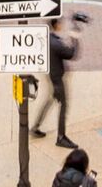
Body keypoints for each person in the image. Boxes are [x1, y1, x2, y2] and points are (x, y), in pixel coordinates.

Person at [32, 17, 78, 148]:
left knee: (50, 100)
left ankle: (35, 127)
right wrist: (75, 36)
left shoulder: (49, 39)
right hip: (56, 78)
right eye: (61, 22)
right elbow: (71, 53)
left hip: (51, 76)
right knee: (63, 105)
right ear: (56, 24)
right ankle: (61, 137)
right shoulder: (56, 43)